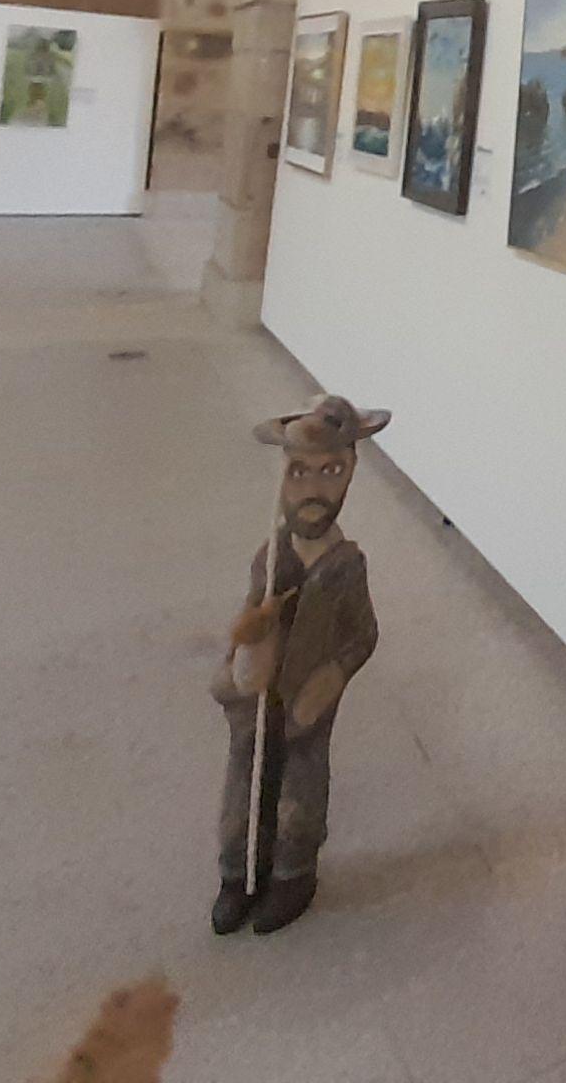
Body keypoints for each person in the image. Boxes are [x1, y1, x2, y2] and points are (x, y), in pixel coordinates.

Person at [209, 395, 388, 935]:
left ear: (350, 473)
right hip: (256, 701)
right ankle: (237, 873)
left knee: (299, 790)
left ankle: (293, 873)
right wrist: (247, 643)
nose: (314, 489)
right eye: (300, 472)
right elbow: (248, 619)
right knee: (245, 783)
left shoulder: (346, 566)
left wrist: (333, 675)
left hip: (308, 703)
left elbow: (364, 634)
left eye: (332, 472)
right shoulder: (270, 558)